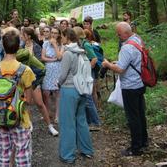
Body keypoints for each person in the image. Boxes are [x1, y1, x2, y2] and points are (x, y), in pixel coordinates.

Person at [0, 30, 35, 167]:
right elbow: (29, 100)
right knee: (22, 154)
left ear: (2, 46)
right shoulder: (25, 70)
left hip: (0, 116)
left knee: (2, 154)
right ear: (19, 46)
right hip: (20, 118)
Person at [101, 22, 148, 157]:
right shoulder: (137, 39)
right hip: (140, 83)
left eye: (119, 33)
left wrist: (108, 64)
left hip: (130, 87)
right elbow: (130, 62)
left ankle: (135, 148)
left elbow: (121, 69)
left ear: (126, 33)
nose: (117, 35)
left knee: (133, 117)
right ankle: (144, 141)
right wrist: (118, 63)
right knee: (140, 114)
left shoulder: (127, 47)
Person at [57, 28, 94, 164]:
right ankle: (87, 150)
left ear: (67, 37)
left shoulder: (68, 53)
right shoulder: (81, 51)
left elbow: (63, 75)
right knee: (81, 120)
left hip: (69, 90)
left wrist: (58, 83)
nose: (61, 38)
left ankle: (68, 155)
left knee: (67, 123)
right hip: (82, 90)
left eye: (62, 36)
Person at [18, 27, 59, 136]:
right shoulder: (20, 47)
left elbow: (39, 64)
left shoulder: (36, 47)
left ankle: (50, 126)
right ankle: (29, 123)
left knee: (40, 104)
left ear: (29, 36)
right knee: (25, 103)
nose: (21, 36)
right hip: (22, 79)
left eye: (23, 34)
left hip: (34, 79)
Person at [73, 27, 101, 131]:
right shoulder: (80, 44)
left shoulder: (86, 44)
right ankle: (89, 121)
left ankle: (95, 122)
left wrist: (86, 71)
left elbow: (94, 58)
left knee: (88, 98)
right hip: (83, 74)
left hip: (88, 75)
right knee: (85, 97)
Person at [41, 26, 63, 122]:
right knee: (46, 92)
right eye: (52, 33)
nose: (53, 35)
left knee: (57, 92)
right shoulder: (45, 43)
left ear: (58, 34)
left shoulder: (62, 45)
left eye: (55, 33)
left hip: (58, 70)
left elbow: (60, 57)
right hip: (48, 69)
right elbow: (43, 57)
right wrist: (53, 59)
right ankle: (48, 112)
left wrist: (55, 45)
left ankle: (57, 115)